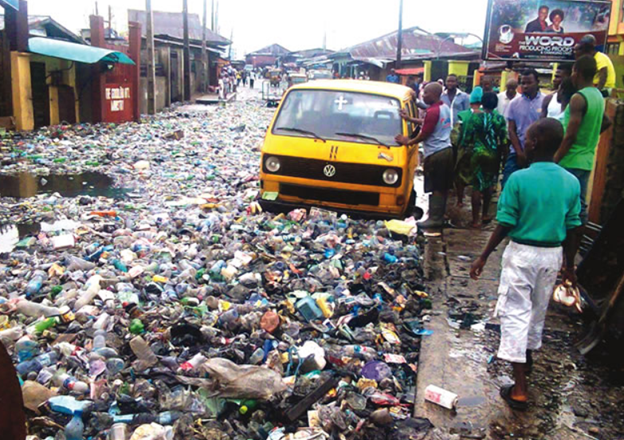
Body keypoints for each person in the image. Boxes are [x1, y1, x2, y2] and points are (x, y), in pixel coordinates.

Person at [470, 118, 583, 411]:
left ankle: (519, 388)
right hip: (552, 255)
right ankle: (527, 361)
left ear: (532, 143)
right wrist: (569, 266)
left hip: (522, 254)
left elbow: (505, 223)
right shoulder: (570, 182)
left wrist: (484, 255)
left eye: (527, 137)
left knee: (516, 313)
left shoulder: (518, 179)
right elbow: (574, 226)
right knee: (536, 311)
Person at [555, 55, 611, 224]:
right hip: (586, 160)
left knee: (563, 208)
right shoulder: (597, 95)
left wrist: (555, 159)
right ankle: (573, 249)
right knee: (578, 207)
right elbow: (607, 121)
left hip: (569, 160)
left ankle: (564, 246)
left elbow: (570, 136)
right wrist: (590, 137)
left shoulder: (578, 98)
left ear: (577, 72)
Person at [396, 83, 453, 231]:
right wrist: (409, 119)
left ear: (434, 94)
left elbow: (425, 133)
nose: (423, 95)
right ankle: (438, 216)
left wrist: (408, 141)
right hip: (445, 150)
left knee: (436, 188)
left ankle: (435, 219)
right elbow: (427, 123)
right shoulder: (444, 108)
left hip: (436, 153)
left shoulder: (433, 111)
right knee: (441, 187)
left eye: (426, 93)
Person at [453, 92, 508, 227]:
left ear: (482, 103)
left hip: (476, 153)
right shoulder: (499, 119)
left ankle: (475, 220)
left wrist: (462, 149)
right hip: (493, 153)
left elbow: (467, 136)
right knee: (488, 184)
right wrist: (504, 158)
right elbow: (504, 140)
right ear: (495, 104)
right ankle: (485, 214)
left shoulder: (474, 117)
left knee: (477, 186)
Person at [503, 69, 544, 188]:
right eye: (523, 83)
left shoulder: (545, 102)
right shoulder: (514, 103)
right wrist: (520, 153)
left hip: (538, 155)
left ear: (537, 82)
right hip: (516, 152)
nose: (525, 86)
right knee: (508, 186)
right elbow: (511, 130)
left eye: (529, 83)